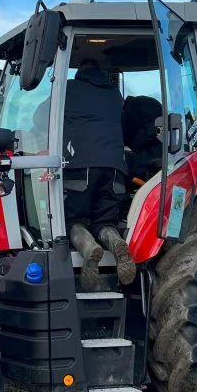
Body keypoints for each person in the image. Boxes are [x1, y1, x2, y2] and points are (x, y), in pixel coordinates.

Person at [61, 58, 136, 290]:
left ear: (80, 72)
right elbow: (124, 125)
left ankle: (88, 248)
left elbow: (39, 119)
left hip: (79, 166)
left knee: (75, 220)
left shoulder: (70, 90)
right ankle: (116, 243)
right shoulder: (114, 94)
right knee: (105, 220)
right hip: (115, 167)